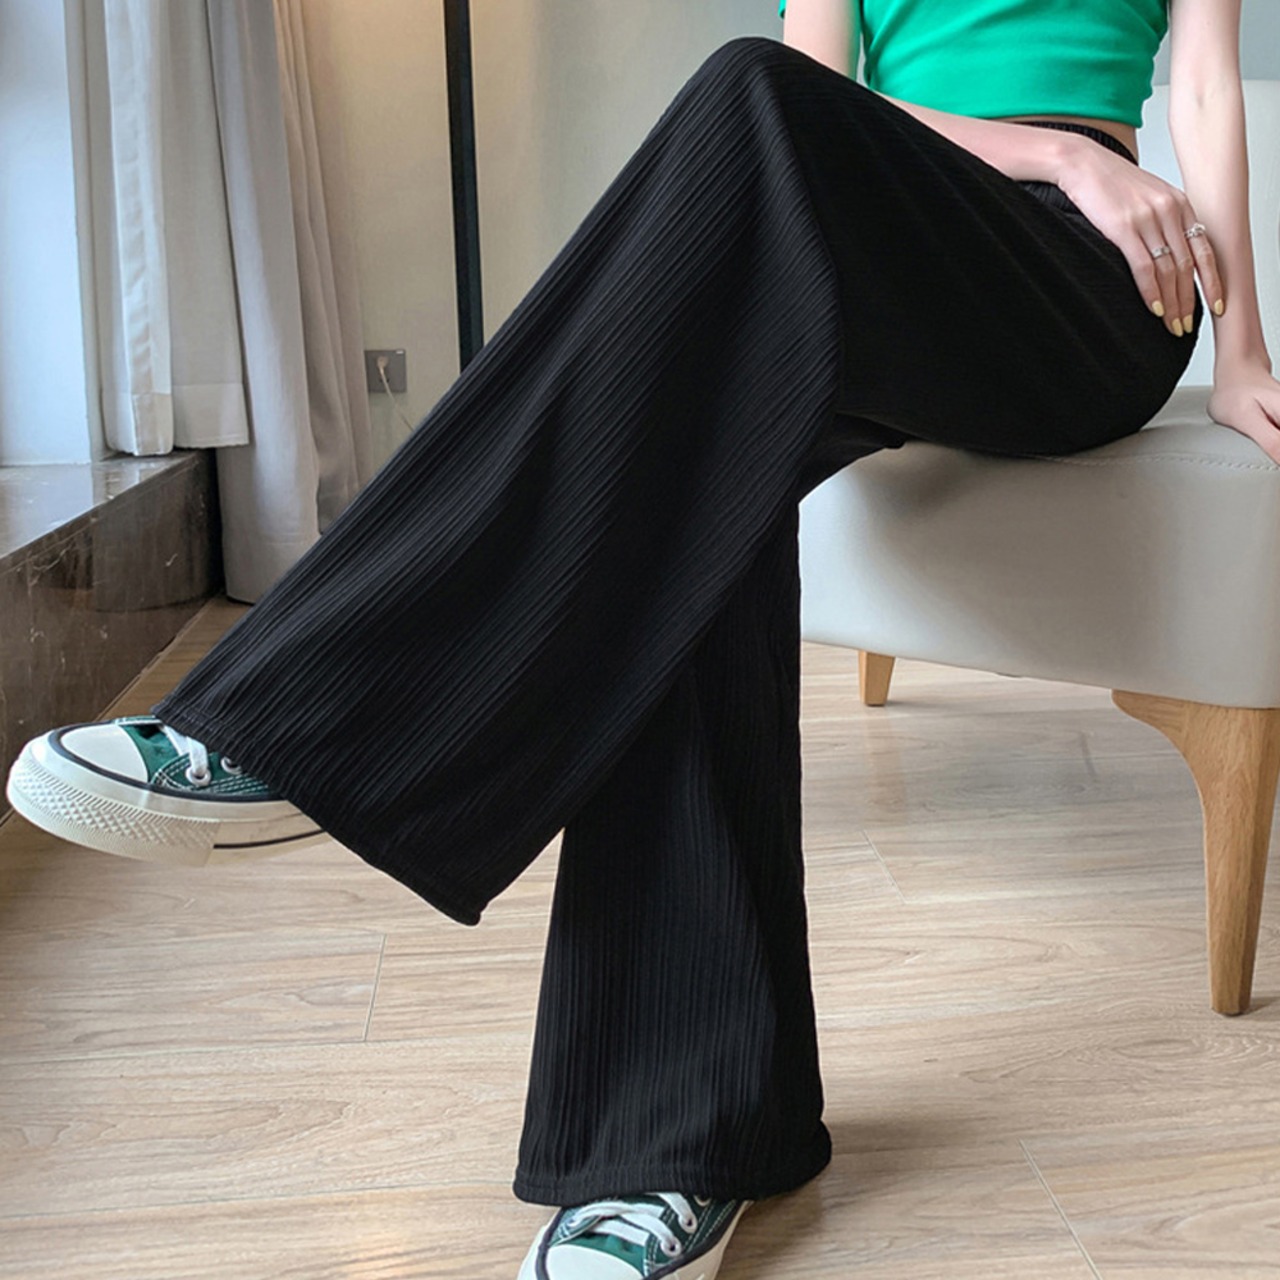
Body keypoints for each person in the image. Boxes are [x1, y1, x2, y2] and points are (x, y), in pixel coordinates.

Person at [8, 1, 1280, 1276]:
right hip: (884, 223)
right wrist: (1040, 150)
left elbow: (1206, 92)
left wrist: (1240, 354)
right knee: (687, 441)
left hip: (1088, 275)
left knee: (736, 117)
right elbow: (817, 91)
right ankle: (680, 1141)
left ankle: (313, 721)